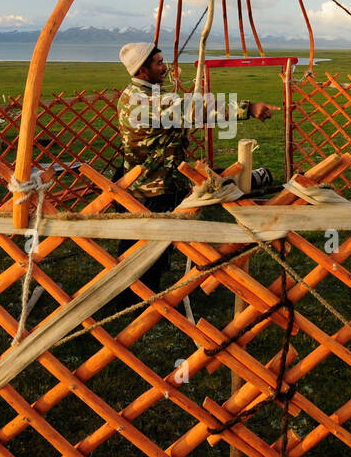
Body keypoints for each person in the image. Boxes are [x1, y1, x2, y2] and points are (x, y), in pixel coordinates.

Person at [115, 43, 275, 292]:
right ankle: (138, 303)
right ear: (142, 71)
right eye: (158, 63)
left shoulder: (134, 94)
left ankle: (135, 295)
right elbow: (198, 109)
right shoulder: (146, 101)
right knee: (146, 251)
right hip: (154, 187)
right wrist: (248, 108)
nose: (164, 67)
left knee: (144, 246)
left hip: (149, 183)